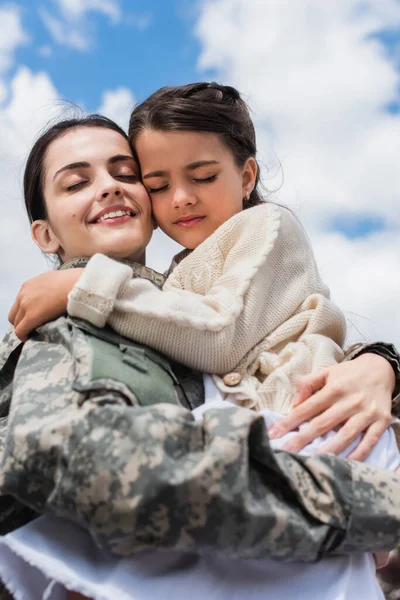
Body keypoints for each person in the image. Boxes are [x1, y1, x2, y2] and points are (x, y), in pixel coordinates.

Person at [0, 115, 399, 599]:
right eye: (77, 182)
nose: (108, 188)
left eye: (126, 174)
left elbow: (264, 356)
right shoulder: (63, 323)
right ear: (44, 235)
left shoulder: (171, 308)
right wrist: (377, 506)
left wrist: (380, 364)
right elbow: (102, 468)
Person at [11, 83, 399, 461]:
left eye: (204, 177)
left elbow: (219, 335)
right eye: (158, 184)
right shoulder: (166, 280)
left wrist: (381, 363)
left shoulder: (265, 226)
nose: (181, 198)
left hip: (309, 427)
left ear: (247, 177)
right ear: (44, 234)